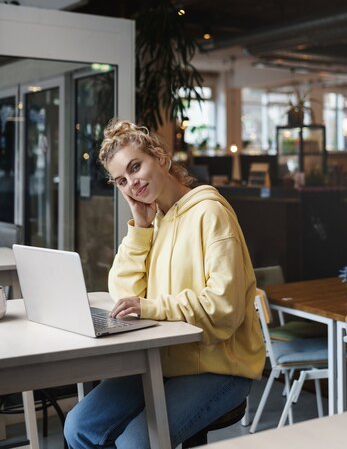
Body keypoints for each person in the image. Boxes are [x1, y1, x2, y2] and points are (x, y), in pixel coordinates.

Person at [64, 118, 265, 449]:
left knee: (135, 443)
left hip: (221, 367)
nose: (132, 183)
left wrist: (151, 306)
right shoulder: (153, 221)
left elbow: (223, 309)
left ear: (160, 157)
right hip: (164, 361)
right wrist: (140, 230)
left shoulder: (210, 213)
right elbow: (124, 296)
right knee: (79, 426)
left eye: (136, 167)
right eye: (121, 180)